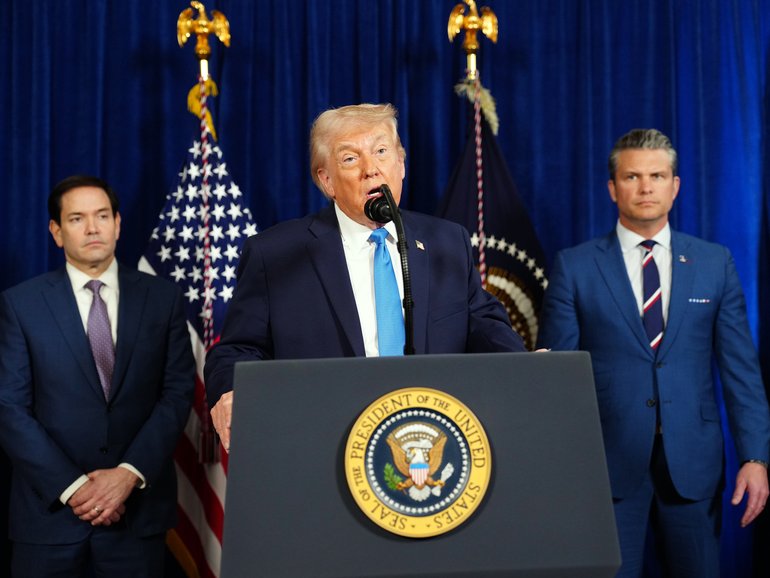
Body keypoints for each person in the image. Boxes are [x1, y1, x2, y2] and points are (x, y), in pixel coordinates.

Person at [204, 103, 526, 449]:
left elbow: (483, 323)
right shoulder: (276, 254)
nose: (371, 170)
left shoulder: (446, 242)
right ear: (326, 180)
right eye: (350, 159)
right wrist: (231, 390)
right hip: (324, 443)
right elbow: (237, 348)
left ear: (401, 164)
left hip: (431, 440)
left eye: (382, 152)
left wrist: (526, 367)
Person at [537, 129, 770, 577]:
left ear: (675, 185)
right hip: (606, 467)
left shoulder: (714, 262)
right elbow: (556, 380)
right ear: (612, 187)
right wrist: (558, 465)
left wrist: (755, 458)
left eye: (658, 176)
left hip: (694, 465)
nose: (646, 187)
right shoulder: (576, 265)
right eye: (633, 176)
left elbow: (742, 372)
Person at [0, 175, 195, 577]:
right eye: (77, 218)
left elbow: (176, 394)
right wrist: (76, 488)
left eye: (102, 215)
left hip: (136, 519)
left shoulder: (163, 299)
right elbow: (9, 408)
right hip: (48, 520)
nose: (92, 228)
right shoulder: (20, 305)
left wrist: (127, 475)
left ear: (118, 224)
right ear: (57, 232)